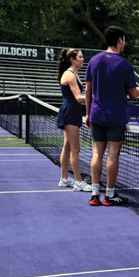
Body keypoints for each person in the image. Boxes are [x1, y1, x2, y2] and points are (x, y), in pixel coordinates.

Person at [85, 26, 139, 206]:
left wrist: (88, 114)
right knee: (113, 155)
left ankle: (95, 194)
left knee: (97, 153)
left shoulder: (93, 61)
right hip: (116, 117)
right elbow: (134, 95)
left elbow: (88, 91)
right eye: (124, 39)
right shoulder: (125, 65)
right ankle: (110, 195)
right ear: (120, 40)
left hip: (96, 115)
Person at [56, 48, 92, 192]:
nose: (83, 59)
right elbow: (78, 98)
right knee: (75, 148)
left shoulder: (74, 74)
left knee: (67, 147)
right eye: (80, 57)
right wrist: (95, 99)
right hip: (70, 112)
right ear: (72, 60)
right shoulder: (70, 75)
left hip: (73, 112)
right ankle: (78, 181)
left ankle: (64, 179)